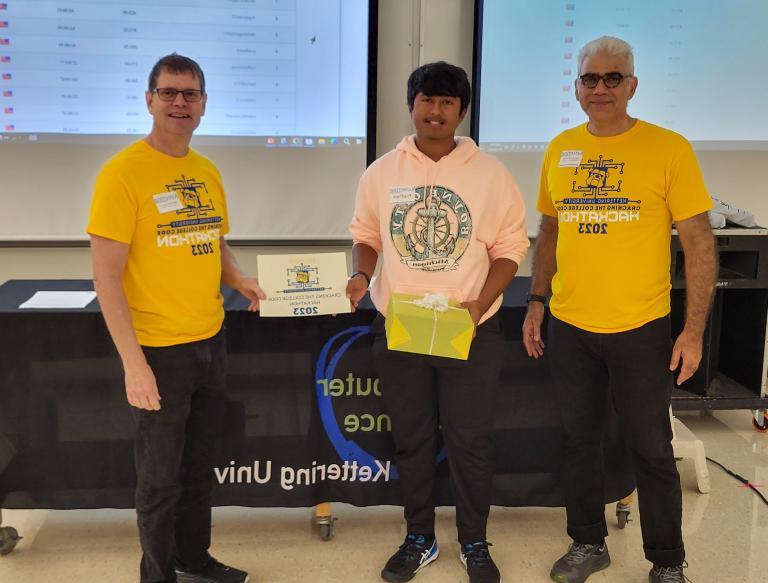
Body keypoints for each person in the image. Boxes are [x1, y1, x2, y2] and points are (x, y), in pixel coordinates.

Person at [522, 36, 716, 583]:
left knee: (651, 449)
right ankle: (587, 544)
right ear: (576, 87)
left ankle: (668, 561)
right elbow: (550, 231)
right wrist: (537, 302)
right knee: (578, 441)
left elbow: (699, 243)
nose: (601, 88)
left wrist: (693, 331)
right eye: (591, 79)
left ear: (633, 86)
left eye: (613, 78)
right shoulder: (559, 149)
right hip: (572, 326)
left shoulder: (668, 148)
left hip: (641, 329)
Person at [347, 61, 529, 583]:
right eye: (427, 100)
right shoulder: (381, 173)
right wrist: (362, 274)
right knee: (413, 438)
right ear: (411, 106)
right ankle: (419, 539)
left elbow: (511, 248)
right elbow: (367, 235)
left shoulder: (490, 174)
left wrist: (479, 304)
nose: (436, 111)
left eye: (448, 102)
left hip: (468, 326)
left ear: (462, 111)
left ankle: (474, 541)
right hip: (402, 324)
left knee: (471, 441)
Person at [87, 54, 264, 583]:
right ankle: (157, 574)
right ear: (149, 100)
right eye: (168, 93)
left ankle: (194, 557)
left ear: (204, 104)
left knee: (197, 469)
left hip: (210, 340)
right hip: (157, 352)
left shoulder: (205, 171)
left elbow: (214, 239)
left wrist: (238, 279)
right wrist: (134, 365)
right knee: (160, 481)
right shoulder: (121, 174)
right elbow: (106, 279)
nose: (179, 103)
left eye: (189, 94)